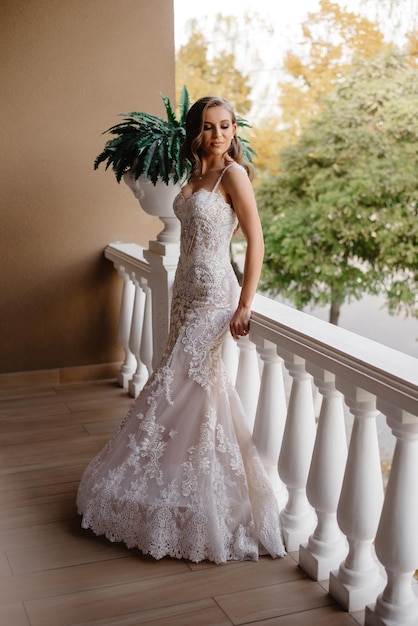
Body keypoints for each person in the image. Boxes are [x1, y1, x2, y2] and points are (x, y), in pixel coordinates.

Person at [77, 96, 286, 563]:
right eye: (210, 127)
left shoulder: (234, 176)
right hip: (184, 290)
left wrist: (245, 304)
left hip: (214, 295)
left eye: (226, 126)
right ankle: (180, 489)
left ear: (235, 130)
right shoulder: (194, 176)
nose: (218, 135)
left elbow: (257, 241)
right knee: (189, 388)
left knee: (177, 384)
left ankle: (200, 497)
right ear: (196, 131)